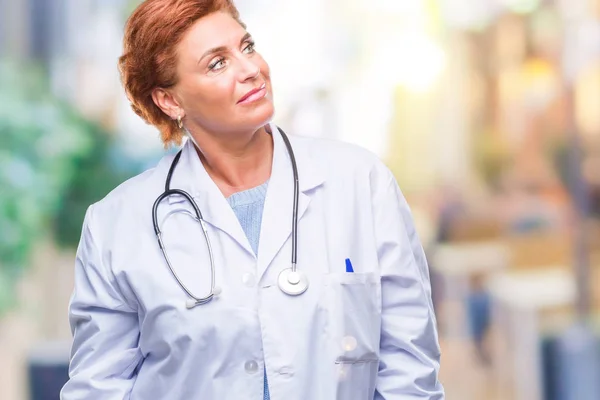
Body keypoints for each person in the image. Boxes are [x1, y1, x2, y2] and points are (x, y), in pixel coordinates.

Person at [60, 0, 445, 399]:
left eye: (246, 47)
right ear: (169, 101)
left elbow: (409, 367)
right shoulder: (116, 225)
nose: (250, 69)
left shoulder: (360, 183)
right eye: (217, 63)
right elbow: (99, 388)